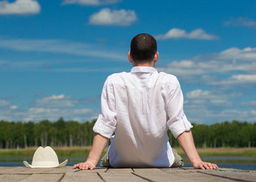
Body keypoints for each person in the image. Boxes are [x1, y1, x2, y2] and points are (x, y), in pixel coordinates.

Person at [73, 33, 218, 170]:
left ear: (130, 56)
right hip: (161, 161)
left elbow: (106, 122)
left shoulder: (114, 81)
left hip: (120, 160)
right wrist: (197, 161)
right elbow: (178, 122)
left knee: (109, 154)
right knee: (173, 155)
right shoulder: (169, 81)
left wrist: (91, 161)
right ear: (156, 56)